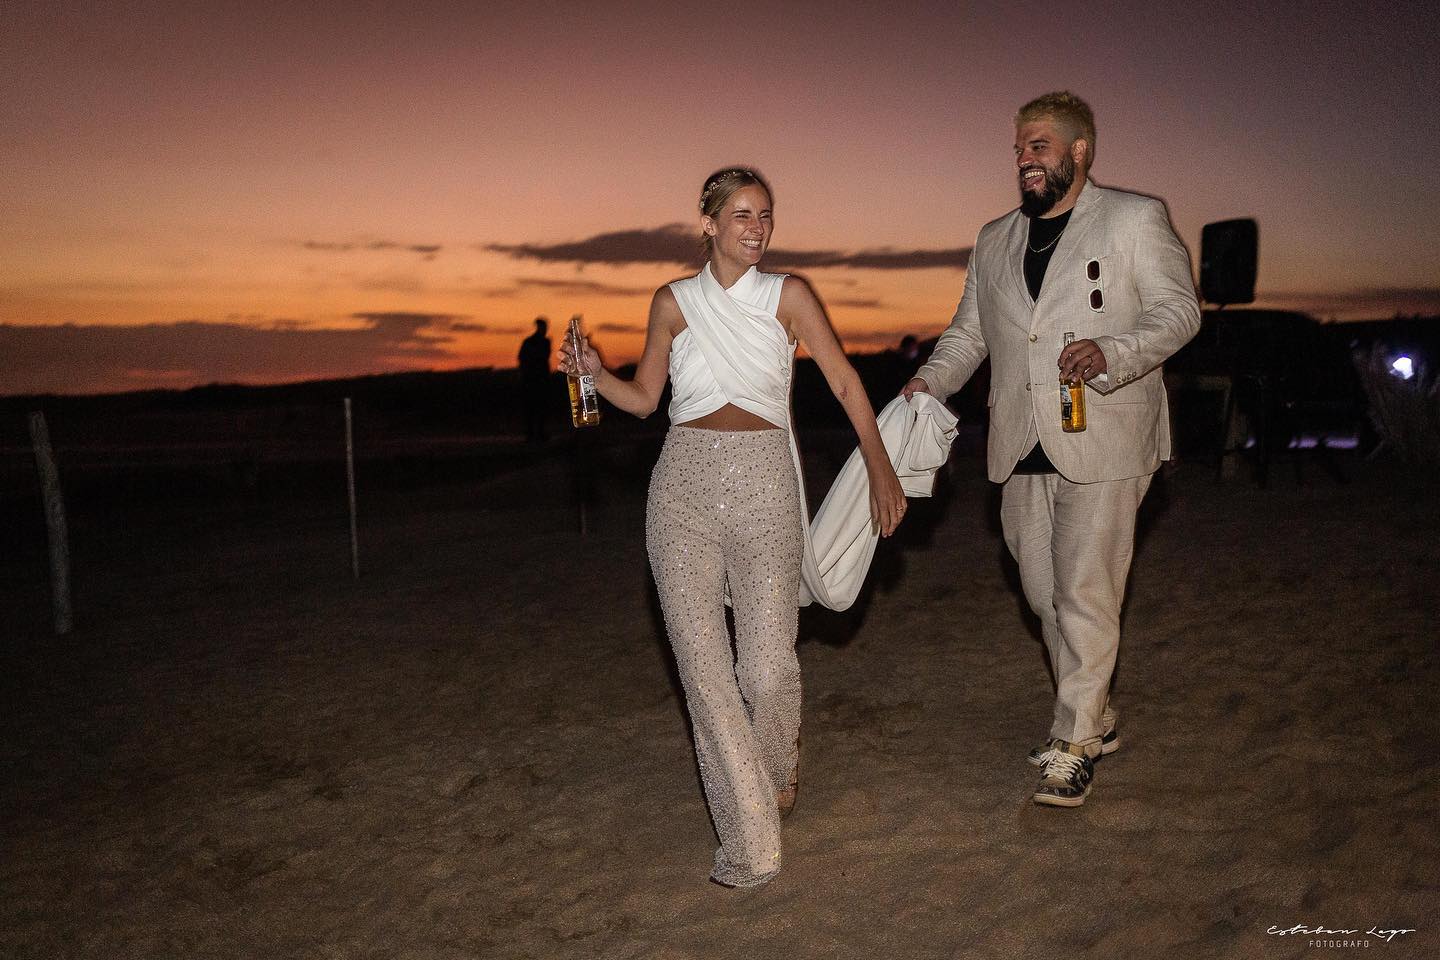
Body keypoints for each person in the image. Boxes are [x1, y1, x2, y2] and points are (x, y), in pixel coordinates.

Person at [560, 167, 906, 887]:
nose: (757, 228)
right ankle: (750, 839)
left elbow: (844, 379)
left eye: (766, 215)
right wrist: (596, 370)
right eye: (742, 215)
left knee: (768, 669)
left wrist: (879, 462)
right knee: (706, 675)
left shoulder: (790, 296)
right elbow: (646, 399)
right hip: (680, 487)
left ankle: (779, 760)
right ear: (709, 224)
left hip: (764, 484)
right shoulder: (673, 302)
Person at [903, 92, 1201, 807]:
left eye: (1039, 146)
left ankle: (1074, 743)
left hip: (1106, 431)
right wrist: (928, 382)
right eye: (1018, 148)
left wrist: (1112, 351)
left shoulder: (1134, 217)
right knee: (1043, 593)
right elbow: (970, 333)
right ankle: (1095, 713)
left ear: (1079, 151)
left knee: (1084, 591)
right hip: (1022, 438)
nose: (1025, 159)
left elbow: (1179, 312)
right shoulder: (995, 237)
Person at [517, 317, 552, 442]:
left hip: (535, 378)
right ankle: (534, 433)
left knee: (536, 407)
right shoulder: (539, 342)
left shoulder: (536, 342)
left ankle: (535, 433)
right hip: (535, 378)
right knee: (535, 407)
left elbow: (522, 359)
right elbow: (524, 359)